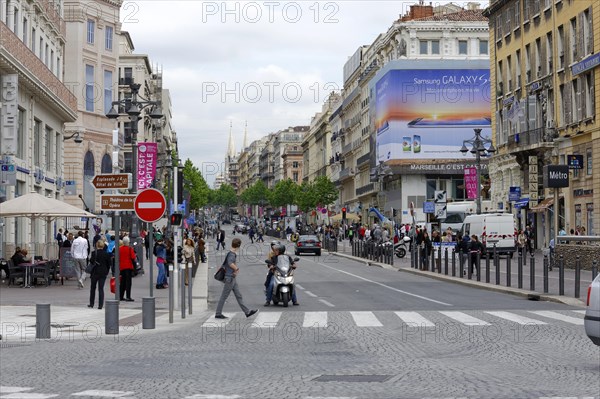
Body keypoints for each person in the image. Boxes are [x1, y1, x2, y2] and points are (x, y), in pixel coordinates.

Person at [214, 238, 258, 319]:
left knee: (238, 295)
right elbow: (230, 263)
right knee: (224, 296)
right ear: (238, 245)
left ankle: (247, 312)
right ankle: (218, 313)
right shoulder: (231, 254)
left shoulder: (231, 253)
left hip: (232, 278)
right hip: (229, 278)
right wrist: (236, 269)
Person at [88, 240, 111, 309]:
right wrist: (106, 271)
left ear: (97, 245)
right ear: (103, 245)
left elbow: (91, 262)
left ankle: (91, 304)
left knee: (93, 288)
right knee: (101, 289)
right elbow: (109, 264)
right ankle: (100, 305)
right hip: (103, 273)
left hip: (95, 272)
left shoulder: (94, 253)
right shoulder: (106, 254)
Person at [118, 236, 136, 301]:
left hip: (122, 267)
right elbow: (133, 258)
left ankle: (121, 296)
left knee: (122, 282)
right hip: (128, 267)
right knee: (128, 282)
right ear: (128, 242)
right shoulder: (129, 249)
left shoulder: (120, 249)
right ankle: (128, 296)